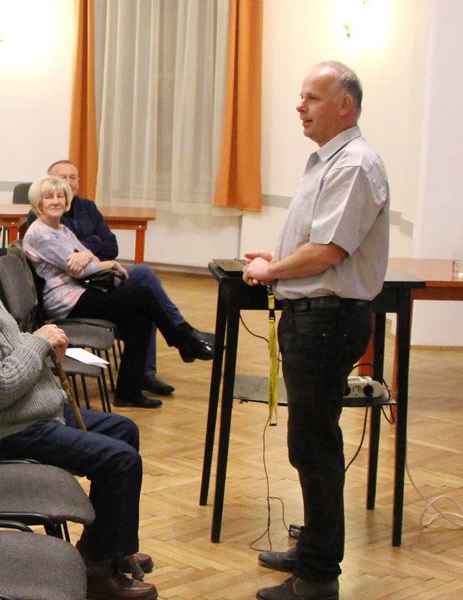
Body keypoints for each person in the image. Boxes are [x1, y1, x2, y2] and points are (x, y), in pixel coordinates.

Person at [0, 200, 158, 600]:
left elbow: (8, 351)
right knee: (121, 461)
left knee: (123, 430)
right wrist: (39, 342)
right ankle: (98, 574)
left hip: (29, 411)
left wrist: (35, 343)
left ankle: (105, 547)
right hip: (5, 432)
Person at [244, 61, 389, 600]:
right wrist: (279, 256)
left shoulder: (354, 164)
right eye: (301, 96)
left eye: (312, 97)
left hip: (326, 321)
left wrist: (272, 271)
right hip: (314, 317)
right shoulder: (329, 160)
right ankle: (312, 550)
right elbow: (315, 242)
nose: (299, 106)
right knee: (308, 444)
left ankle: (319, 576)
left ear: (345, 105)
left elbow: (329, 251)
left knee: (315, 447)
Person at [23, 175, 214, 409]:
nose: (55, 201)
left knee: (140, 316)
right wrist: (109, 263)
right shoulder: (41, 234)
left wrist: (88, 256)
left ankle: (128, 391)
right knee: (142, 293)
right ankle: (181, 338)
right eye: (48, 197)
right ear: (38, 202)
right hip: (64, 302)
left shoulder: (61, 229)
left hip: (80, 291)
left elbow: (89, 258)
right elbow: (82, 270)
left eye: (60, 196)